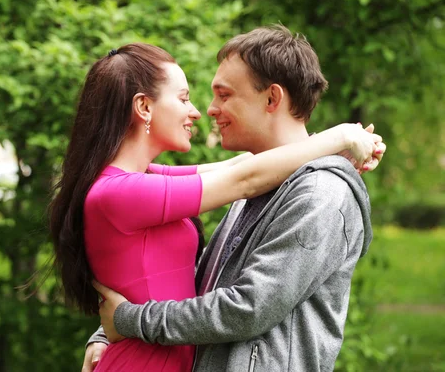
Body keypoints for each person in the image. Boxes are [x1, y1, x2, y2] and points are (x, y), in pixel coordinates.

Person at [49, 40, 382, 372]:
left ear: (271, 98)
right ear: (143, 108)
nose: (203, 109)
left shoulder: (319, 193)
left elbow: (245, 304)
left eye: (224, 95)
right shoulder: (128, 189)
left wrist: (126, 319)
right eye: (184, 98)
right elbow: (241, 178)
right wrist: (341, 137)